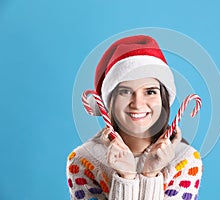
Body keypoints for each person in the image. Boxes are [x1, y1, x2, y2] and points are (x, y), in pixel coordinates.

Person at [66, 35, 203, 200]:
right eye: (125, 91)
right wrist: (125, 178)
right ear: (110, 102)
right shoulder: (83, 161)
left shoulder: (186, 161)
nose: (137, 104)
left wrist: (151, 175)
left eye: (150, 91)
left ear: (163, 99)